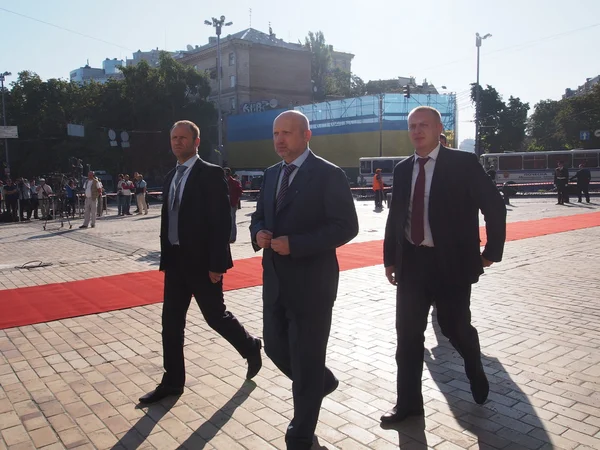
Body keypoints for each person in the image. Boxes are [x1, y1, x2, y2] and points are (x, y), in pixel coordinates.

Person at [381, 106, 506, 424]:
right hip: (412, 263)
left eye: (424, 125)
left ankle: (473, 363)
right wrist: (390, 259)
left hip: (451, 265)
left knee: (454, 327)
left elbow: (494, 206)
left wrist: (491, 251)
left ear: (439, 129)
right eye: (412, 126)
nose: (417, 130)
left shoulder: (463, 164)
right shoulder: (402, 169)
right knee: (408, 336)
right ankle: (408, 404)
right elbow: (396, 218)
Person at [250, 111, 359, 450]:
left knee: (307, 358)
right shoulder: (270, 175)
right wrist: (259, 234)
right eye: (275, 133)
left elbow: (346, 226)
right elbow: (257, 217)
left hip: (313, 286)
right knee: (275, 347)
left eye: (287, 133)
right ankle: (320, 382)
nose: (279, 140)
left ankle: (301, 432)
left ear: (306, 135)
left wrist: (296, 244)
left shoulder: (328, 174)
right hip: (276, 284)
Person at [139, 120, 262, 405]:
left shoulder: (210, 173)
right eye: (173, 138)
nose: (177, 142)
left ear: (196, 141)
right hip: (175, 261)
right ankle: (172, 382)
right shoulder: (171, 176)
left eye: (183, 137)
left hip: (203, 262)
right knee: (170, 323)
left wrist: (217, 263)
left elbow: (220, 222)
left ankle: (250, 345)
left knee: (215, 316)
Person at [224, 167, 243, 243]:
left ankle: (232, 237)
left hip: (232, 203)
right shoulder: (223, 181)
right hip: (224, 202)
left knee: (232, 220)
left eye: (225, 173)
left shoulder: (234, 182)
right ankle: (226, 236)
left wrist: (236, 199)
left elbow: (240, 191)